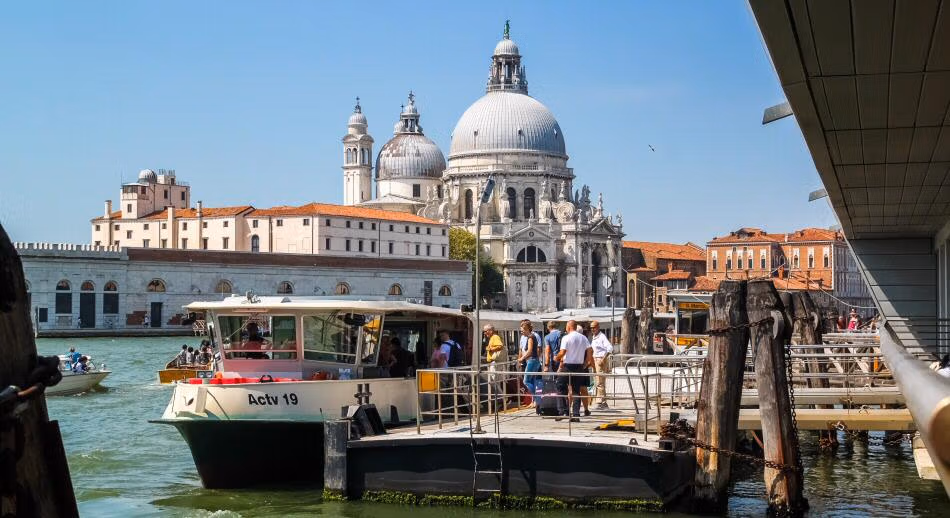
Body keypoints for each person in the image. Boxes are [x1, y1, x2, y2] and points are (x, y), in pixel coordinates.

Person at [555, 320, 593, 421]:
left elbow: (562, 352)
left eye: (566, 326)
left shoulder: (566, 338)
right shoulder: (583, 337)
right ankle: (576, 415)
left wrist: (556, 357)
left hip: (567, 366)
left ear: (569, 327)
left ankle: (563, 411)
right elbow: (590, 350)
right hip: (579, 367)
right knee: (576, 391)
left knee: (560, 388)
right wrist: (586, 362)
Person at [517, 320, 542, 411]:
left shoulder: (530, 337)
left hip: (532, 361)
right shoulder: (531, 336)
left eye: (522, 330)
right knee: (535, 381)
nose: (521, 332)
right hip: (534, 361)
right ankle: (537, 400)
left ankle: (536, 397)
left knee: (526, 381)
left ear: (527, 329)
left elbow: (530, 351)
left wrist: (522, 358)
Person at [589, 320, 613, 410]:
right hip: (595, 359)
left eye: (594, 327)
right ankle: (600, 401)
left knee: (600, 382)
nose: (592, 329)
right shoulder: (594, 336)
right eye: (591, 328)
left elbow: (610, 348)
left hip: (600, 360)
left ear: (598, 327)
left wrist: (603, 359)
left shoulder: (602, 336)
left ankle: (602, 402)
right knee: (597, 382)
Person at [484, 324, 509, 408]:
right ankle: (500, 400)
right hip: (495, 362)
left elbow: (500, 346)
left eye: (486, 331)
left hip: (495, 362)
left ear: (490, 330)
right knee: (495, 382)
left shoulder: (495, 337)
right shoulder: (493, 337)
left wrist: (490, 349)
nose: (485, 333)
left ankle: (504, 399)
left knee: (493, 381)